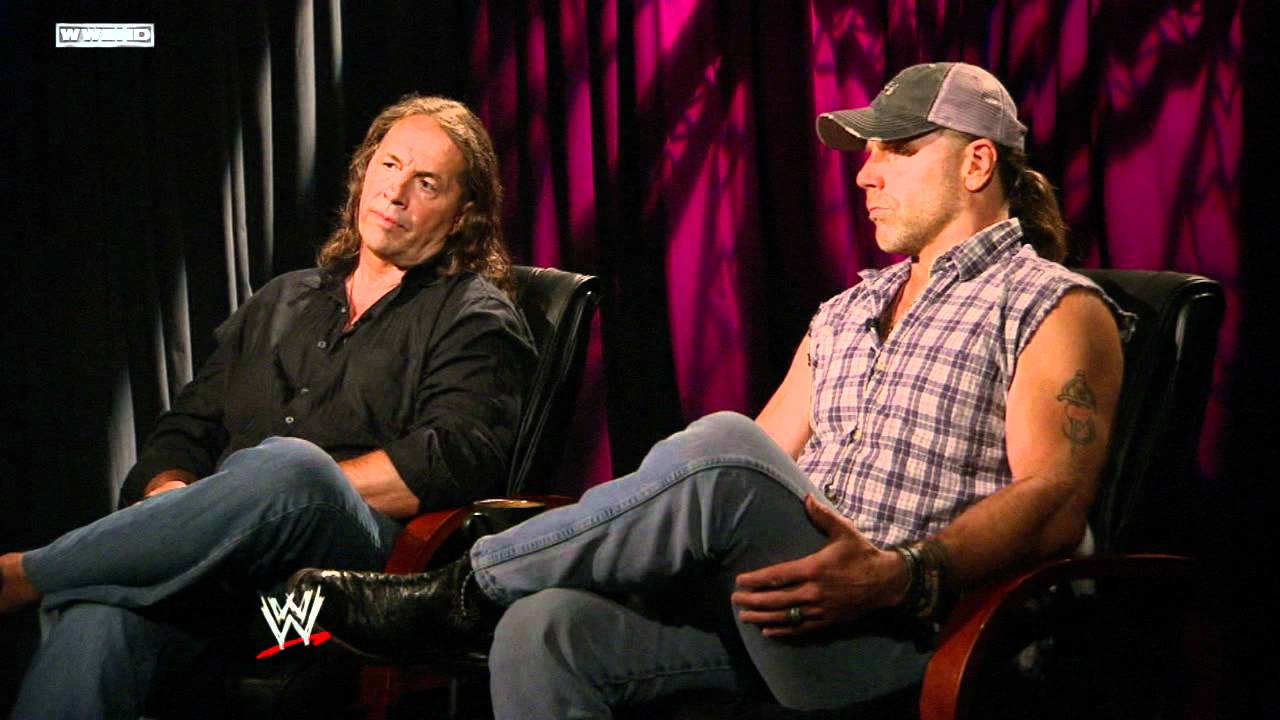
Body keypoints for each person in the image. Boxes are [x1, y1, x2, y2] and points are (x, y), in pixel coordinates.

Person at [294, 63, 1134, 717]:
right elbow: (748, 473)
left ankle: (458, 593)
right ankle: (489, 598)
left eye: (897, 150)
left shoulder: (1052, 305)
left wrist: (905, 575)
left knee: (723, 446)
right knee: (543, 629)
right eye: (866, 153)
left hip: (915, 632)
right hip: (784, 618)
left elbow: (1056, 503)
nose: (864, 175)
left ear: (978, 161)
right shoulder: (849, 312)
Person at [0, 95, 536, 718]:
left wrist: (279, 495)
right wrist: (178, 504)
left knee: (290, 468)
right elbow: (185, 429)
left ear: (464, 215)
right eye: (389, 166)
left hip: (336, 599)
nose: (395, 193)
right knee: (97, 613)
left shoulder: (473, 315)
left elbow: (455, 458)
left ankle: (25, 574)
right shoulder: (282, 300)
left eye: (426, 183)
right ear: (364, 170)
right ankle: (96, 572)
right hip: (223, 585)